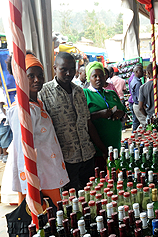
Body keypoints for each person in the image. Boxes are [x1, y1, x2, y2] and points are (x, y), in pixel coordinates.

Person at [6, 52, 69, 205]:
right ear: (19, 77)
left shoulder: (37, 104)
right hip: (37, 181)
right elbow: (22, 152)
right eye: (31, 76)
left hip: (49, 174)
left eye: (40, 75)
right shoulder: (21, 110)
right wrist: (31, 187)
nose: (37, 80)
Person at [39, 52, 106, 191]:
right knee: (71, 202)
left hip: (87, 156)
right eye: (63, 69)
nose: (69, 73)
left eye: (72, 69)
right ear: (55, 68)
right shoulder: (44, 93)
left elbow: (88, 123)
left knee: (91, 197)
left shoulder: (79, 91)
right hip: (65, 160)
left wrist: (102, 148)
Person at [83, 62, 126, 170]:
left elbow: (123, 110)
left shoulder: (111, 94)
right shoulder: (85, 94)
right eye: (95, 76)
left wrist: (120, 114)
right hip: (98, 148)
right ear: (89, 78)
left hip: (115, 144)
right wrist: (99, 114)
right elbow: (83, 118)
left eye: (101, 75)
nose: (99, 78)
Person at [128, 64, 146, 129]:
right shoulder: (138, 83)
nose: (143, 72)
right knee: (144, 123)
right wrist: (144, 108)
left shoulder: (133, 80)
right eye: (140, 71)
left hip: (135, 104)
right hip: (138, 105)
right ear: (136, 72)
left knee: (137, 122)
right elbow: (139, 98)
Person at [0, 82, 12, 163]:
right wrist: (7, 115)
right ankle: (5, 155)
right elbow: (1, 104)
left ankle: (2, 154)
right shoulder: (1, 90)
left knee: (2, 136)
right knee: (5, 136)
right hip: (3, 117)